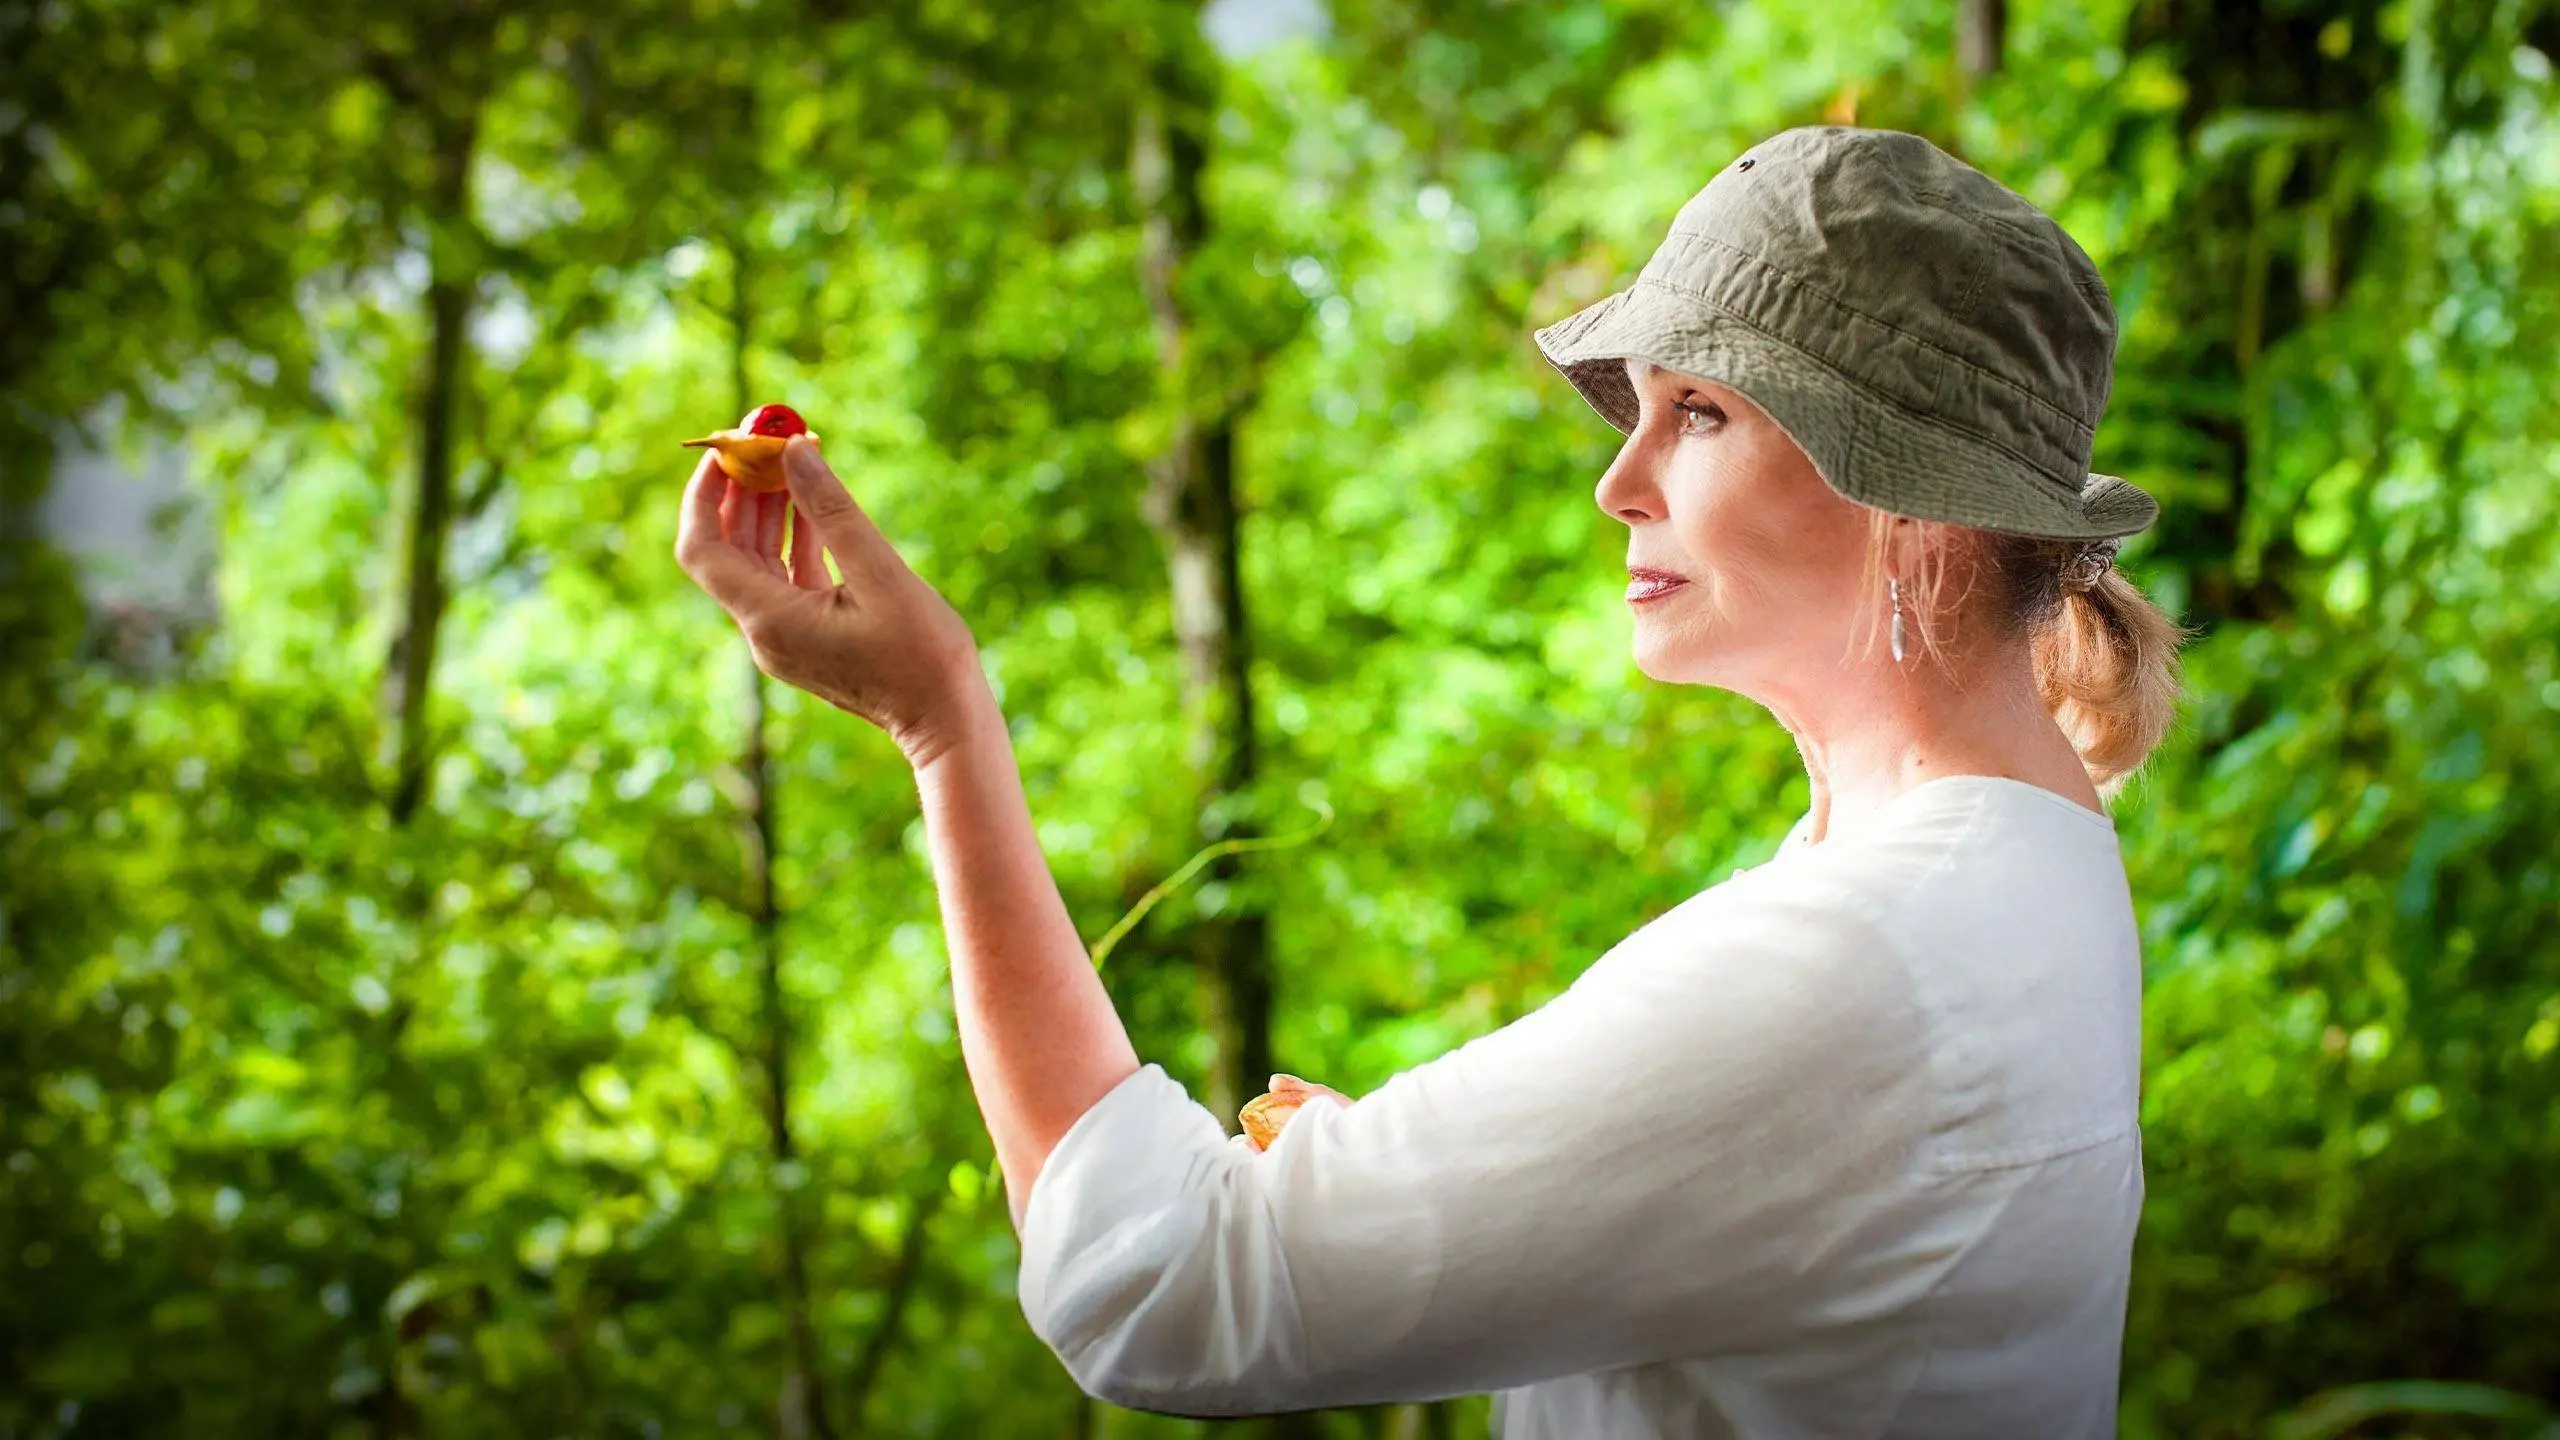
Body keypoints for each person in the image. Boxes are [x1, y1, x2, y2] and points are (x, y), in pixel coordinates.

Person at [674, 123, 2193, 1438]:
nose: (1619, 480)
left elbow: (1161, 1288)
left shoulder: (1860, 963)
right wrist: (1480, 1185)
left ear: (1912, 507)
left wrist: (943, 727)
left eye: (1703, 413)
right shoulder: (2034, 856)